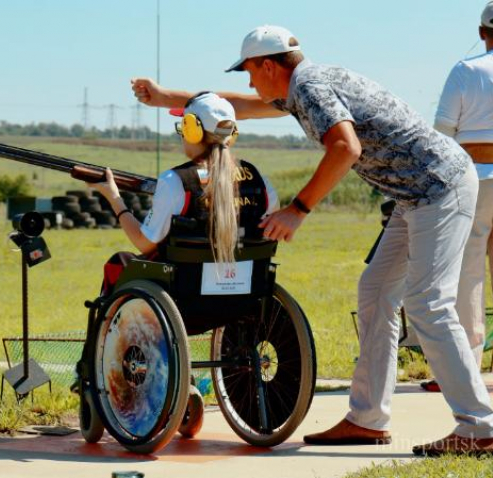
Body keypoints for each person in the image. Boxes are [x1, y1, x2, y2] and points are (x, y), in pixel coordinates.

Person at [131, 25, 493, 456]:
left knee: (427, 302)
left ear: (268, 65)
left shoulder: (311, 86)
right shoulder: (302, 85)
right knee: (376, 292)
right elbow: (238, 107)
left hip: (438, 187)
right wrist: (165, 97)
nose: (249, 81)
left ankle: (479, 426)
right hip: (413, 194)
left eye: (249, 71)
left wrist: (297, 209)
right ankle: (367, 418)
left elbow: (345, 147)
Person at [89, 91, 278, 298]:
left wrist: (115, 199)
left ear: (191, 129)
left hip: (186, 297)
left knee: (120, 262)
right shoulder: (259, 180)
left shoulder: (175, 181)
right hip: (246, 295)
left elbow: (144, 242)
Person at [421, 1, 493, 394]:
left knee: (467, 278)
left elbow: (441, 134)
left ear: (482, 33)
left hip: (473, 180)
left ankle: (465, 369)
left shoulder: (465, 71)